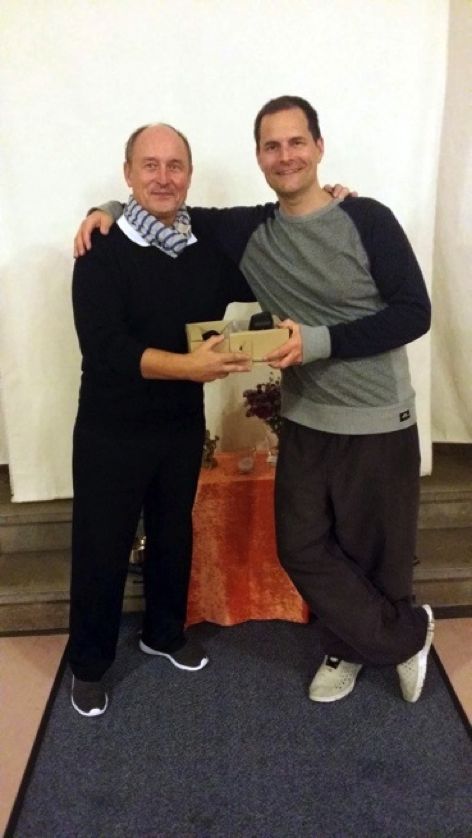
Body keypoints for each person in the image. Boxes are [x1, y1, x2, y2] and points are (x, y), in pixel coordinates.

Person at [74, 95, 434, 705]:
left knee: (376, 552)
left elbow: (414, 312)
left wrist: (317, 337)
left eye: (296, 142)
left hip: (362, 416)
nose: (285, 156)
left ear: (318, 147)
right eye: (272, 146)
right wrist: (103, 209)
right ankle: (402, 637)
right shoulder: (212, 236)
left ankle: (351, 644)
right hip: (245, 420)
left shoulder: (358, 219)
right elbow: (152, 235)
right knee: (296, 547)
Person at [70, 123, 254, 717]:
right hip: (111, 429)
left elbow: (273, 228)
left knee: (174, 532)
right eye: (149, 165)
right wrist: (190, 367)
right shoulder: (99, 249)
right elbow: (106, 350)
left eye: (175, 165)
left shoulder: (206, 245)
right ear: (127, 174)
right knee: (102, 546)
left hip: (179, 423)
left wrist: (334, 201)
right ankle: (89, 665)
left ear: (190, 175)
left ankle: (164, 633)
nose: (163, 177)